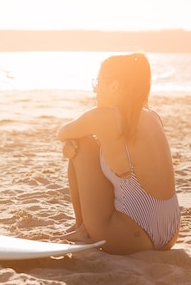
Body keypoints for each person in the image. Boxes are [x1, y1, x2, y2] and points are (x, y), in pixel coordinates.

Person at [57, 52, 180, 254]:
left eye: (98, 82)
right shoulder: (152, 116)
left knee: (82, 141)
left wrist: (73, 143)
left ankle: (83, 228)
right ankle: (83, 228)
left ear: (114, 86)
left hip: (130, 235)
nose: (95, 90)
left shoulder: (102, 116)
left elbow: (63, 132)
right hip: (170, 235)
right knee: (88, 143)